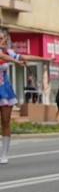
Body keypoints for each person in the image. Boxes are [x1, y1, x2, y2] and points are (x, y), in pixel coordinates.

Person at [0, 29, 25, 164]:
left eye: (2, 38)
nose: (1, 40)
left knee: (5, 121)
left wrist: (46, 59)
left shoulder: (9, 52)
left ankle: (4, 154)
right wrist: (16, 62)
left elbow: (24, 57)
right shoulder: (5, 55)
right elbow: (4, 58)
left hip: (5, 90)